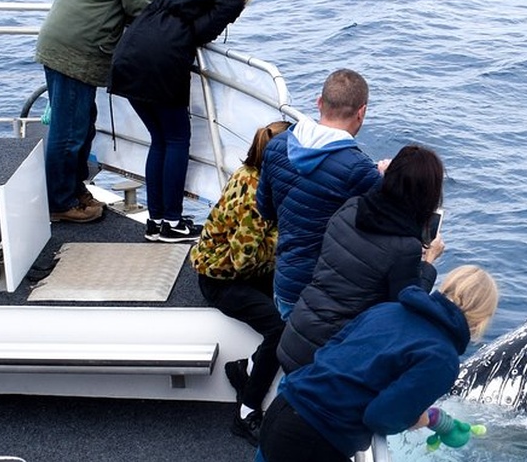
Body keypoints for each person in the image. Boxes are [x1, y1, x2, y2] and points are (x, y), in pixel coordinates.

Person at [257, 265, 500, 462]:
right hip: (313, 439)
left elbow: (331, 348)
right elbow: (381, 417)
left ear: (446, 286)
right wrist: (419, 419)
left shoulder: (388, 309)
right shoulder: (443, 359)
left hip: (284, 406)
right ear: (482, 320)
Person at [109, 0, 257, 242]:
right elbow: (202, 32)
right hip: (161, 66)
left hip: (127, 59)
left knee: (159, 140)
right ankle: (173, 223)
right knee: (176, 140)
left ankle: (155, 221)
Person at [277, 144, 447, 373]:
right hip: (329, 356)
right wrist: (428, 264)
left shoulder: (352, 207)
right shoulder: (406, 248)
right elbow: (405, 310)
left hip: (297, 333)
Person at [35, 0, 171, 223]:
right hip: (77, 53)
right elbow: (146, 12)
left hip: (60, 44)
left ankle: (73, 189)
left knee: (80, 126)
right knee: (71, 132)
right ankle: (59, 202)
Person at [255, 68, 388, 319]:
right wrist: (386, 179)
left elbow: (265, 209)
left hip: (285, 285)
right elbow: (388, 225)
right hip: (329, 294)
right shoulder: (358, 169)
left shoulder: (277, 145)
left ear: (319, 103)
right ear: (362, 112)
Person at [188, 120, 290, 445]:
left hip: (228, 269)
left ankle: (244, 366)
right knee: (279, 329)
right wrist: (282, 243)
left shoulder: (251, 173)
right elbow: (243, 260)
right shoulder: (259, 199)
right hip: (222, 280)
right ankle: (246, 412)